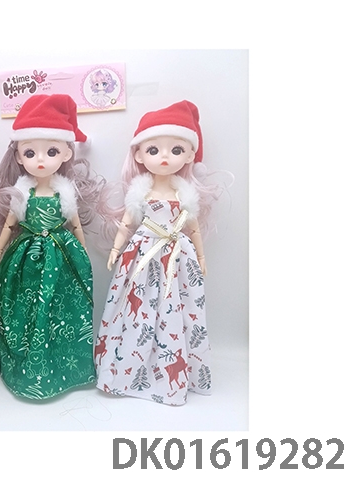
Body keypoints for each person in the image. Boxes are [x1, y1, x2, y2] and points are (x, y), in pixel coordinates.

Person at [95, 100, 220, 405]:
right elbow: (127, 224)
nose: (164, 157)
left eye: (176, 150)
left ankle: (170, 369)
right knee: (135, 310)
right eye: (154, 150)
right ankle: (130, 367)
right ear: (139, 154)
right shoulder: (140, 191)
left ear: (190, 155)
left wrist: (201, 257)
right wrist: (116, 249)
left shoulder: (184, 193)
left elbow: (193, 229)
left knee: (176, 309)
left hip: (177, 256)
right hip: (142, 254)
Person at [0, 94, 103, 400]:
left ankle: (65, 368)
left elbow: (76, 226)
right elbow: (9, 225)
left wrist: (83, 256)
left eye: (51, 151)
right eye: (30, 152)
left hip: (62, 255)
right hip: (26, 256)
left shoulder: (66, 193)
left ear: (66, 153)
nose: (40, 160)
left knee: (62, 310)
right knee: (26, 309)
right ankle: (27, 370)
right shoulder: (22, 192)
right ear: (18, 157)